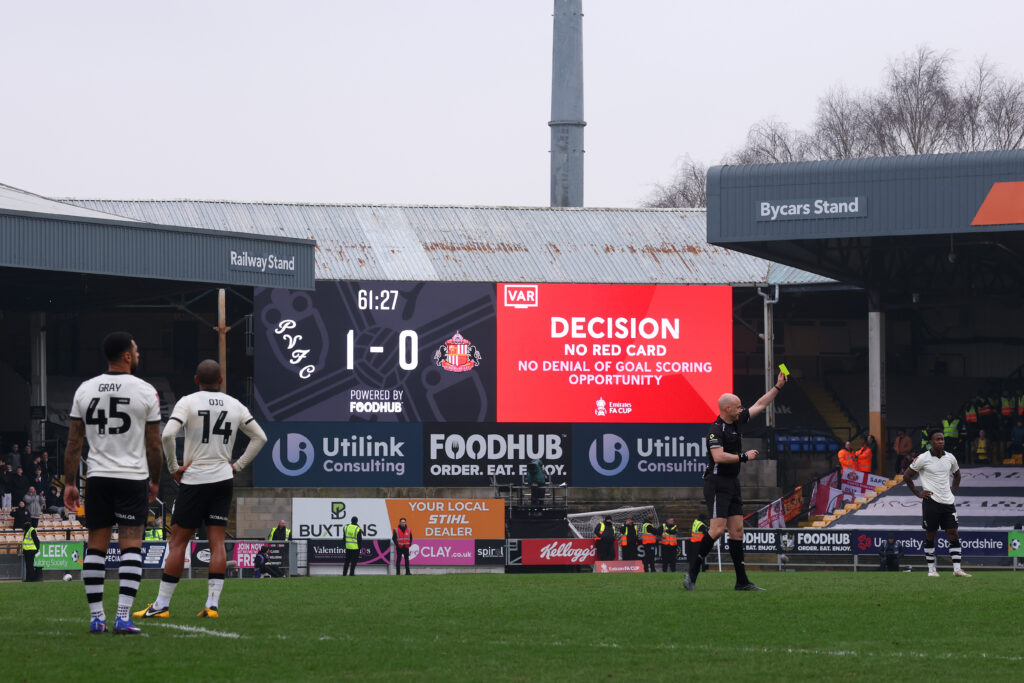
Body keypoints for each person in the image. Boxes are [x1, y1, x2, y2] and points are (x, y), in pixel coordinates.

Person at [134, 359, 267, 621]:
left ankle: (161, 605)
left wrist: (174, 467)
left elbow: (167, 435)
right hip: (222, 479)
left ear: (196, 380)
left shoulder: (188, 402)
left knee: (178, 542)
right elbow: (260, 437)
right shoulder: (235, 405)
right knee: (217, 543)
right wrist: (237, 466)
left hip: (195, 479)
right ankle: (212, 605)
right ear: (221, 380)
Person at [63, 332, 163, 635]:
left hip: (98, 477)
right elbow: (154, 444)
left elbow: (74, 441)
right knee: (131, 546)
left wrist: (70, 482)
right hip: (132, 478)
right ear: (127, 356)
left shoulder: (85, 389)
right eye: (137, 350)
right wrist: (155, 480)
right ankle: (122, 617)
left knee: (96, 546)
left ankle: (97, 618)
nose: (139, 354)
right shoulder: (146, 391)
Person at [685, 369, 788, 592]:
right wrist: (743, 457)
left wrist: (778, 386)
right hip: (717, 483)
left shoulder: (736, 421)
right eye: (738, 406)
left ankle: (741, 582)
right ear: (727, 409)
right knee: (717, 530)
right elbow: (718, 457)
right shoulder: (716, 430)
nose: (742, 409)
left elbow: (760, 404)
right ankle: (692, 573)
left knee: (738, 531)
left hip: (732, 483)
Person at [901, 429, 971, 578]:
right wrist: (918, 493)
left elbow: (957, 475)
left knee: (953, 533)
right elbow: (906, 476)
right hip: (931, 502)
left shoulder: (950, 457)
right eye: (937, 439)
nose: (941, 441)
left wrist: (952, 491)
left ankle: (957, 570)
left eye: (942, 439)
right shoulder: (923, 458)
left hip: (948, 502)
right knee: (930, 534)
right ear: (931, 442)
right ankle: (932, 570)